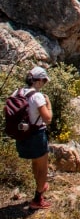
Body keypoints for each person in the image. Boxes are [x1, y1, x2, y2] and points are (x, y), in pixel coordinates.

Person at [14, 66, 53, 210]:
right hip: (37, 135)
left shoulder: (18, 92)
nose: (44, 84)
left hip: (23, 135)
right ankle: (38, 198)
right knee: (42, 167)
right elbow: (47, 118)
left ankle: (40, 186)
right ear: (38, 81)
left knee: (35, 162)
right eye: (44, 81)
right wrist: (48, 104)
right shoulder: (37, 96)